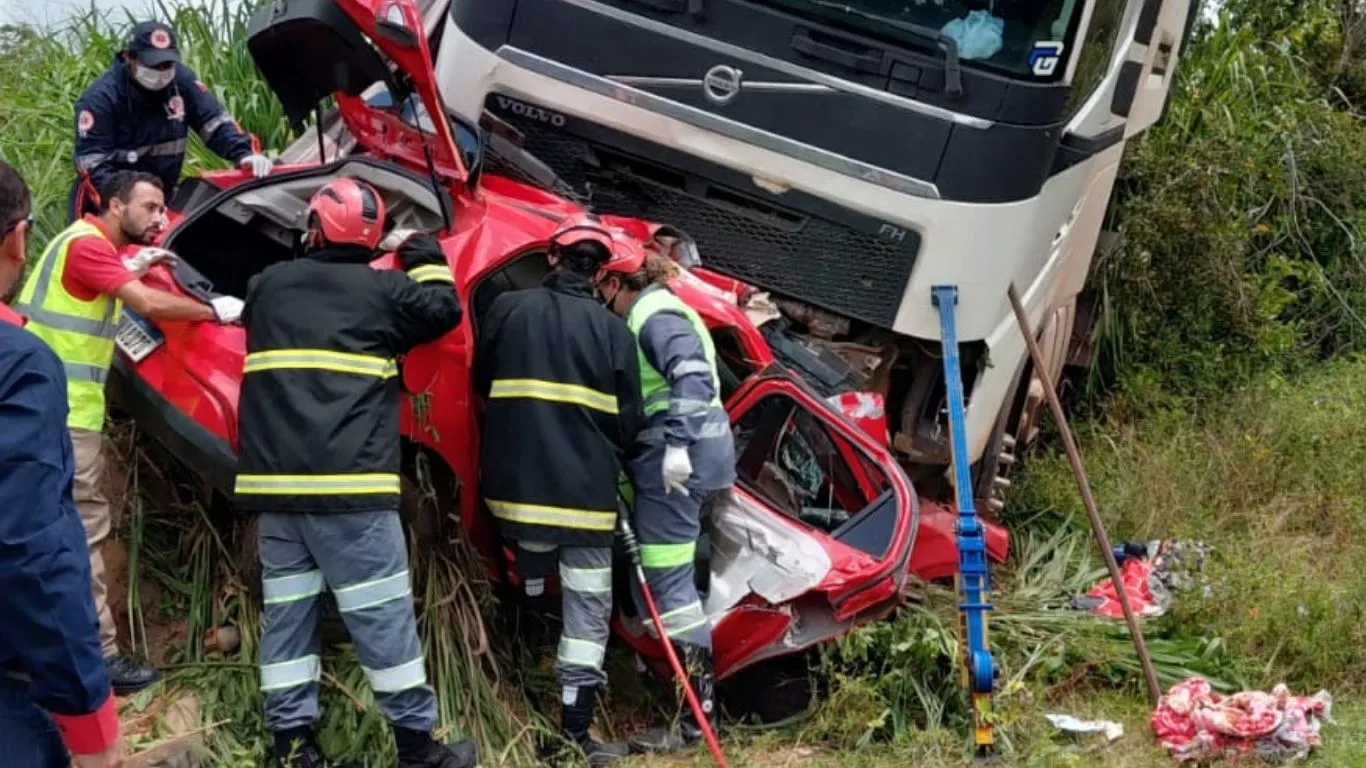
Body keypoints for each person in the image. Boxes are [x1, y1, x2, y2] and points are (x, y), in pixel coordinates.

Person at [233, 177, 475, 768]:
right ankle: (418, 751)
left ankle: (293, 749)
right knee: (383, 619)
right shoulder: (384, 293)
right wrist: (421, 253)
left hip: (279, 499)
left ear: (313, 227)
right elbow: (443, 309)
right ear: (371, 240)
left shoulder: (267, 287)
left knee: (289, 621)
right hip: (352, 496)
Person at [14, 169, 242, 697]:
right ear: (115, 207)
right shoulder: (91, 249)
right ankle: (103, 658)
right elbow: (152, 306)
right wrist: (216, 309)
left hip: (45, 408)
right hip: (67, 419)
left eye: (164, 208)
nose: (160, 218)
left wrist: (131, 265)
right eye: (149, 207)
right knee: (84, 532)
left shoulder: (79, 240)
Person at [471, 213, 644, 766]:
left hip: (512, 493)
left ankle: (517, 666)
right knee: (588, 610)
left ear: (552, 258)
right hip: (585, 501)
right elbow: (631, 424)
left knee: (527, 575)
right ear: (600, 276)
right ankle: (575, 727)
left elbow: (479, 383)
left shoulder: (506, 310)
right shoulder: (615, 333)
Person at [0, 160, 125, 767]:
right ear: (18, 238)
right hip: (72, 421)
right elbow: (34, 555)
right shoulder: (19, 365)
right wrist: (90, 719)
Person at [593, 244, 736, 754]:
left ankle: (697, 722)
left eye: (603, 291)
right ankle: (693, 707)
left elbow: (692, 376)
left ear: (616, 285)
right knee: (677, 584)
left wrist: (676, 444)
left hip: (678, 463)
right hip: (696, 459)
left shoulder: (654, 314)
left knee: (670, 588)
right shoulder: (672, 307)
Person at [69, 20, 272, 220]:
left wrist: (244, 153)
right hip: (105, 206)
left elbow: (214, 122)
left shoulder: (181, 82)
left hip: (159, 199)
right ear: (129, 57)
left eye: (166, 64)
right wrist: (132, 209)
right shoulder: (100, 100)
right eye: (152, 65)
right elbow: (93, 168)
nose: (160, 72)